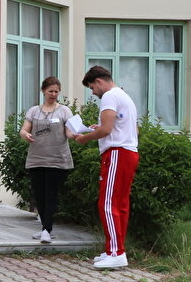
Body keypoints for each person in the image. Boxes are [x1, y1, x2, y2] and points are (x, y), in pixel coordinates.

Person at [74, 65, 139, 270]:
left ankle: (116, 253)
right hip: (129, 152)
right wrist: (100, 128)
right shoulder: (124, 96)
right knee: (120, 204)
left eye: (92, 88)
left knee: (108, 204)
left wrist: (85, 138)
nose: (93, 93)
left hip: (117, 153)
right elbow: (129, 128)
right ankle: (115, 249)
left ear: (99, 82)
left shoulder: (109, 96)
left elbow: (107, 129)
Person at [20, 76, 75, 244]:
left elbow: (69, 132)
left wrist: (76, 135)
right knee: (39, 195)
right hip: (36, 158)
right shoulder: (34, 111)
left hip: (57, 158)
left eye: (56, 92)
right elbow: (24, 130)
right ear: (43, 91)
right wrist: (26, 135)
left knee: (51, 193)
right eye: (51, 91)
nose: (53, 94)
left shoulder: (64, 111)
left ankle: (46, 229)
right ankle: (46, 228)